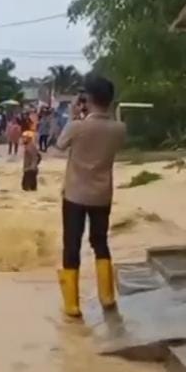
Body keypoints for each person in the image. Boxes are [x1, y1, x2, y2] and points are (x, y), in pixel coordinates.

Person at [54, 75, 127, 319]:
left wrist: (74, 114)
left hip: (75, 195)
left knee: (72, 245)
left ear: (88, 99)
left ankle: (72, 305)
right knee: (100, 242)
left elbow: (59, 145)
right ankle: (107, 296)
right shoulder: (119, 128)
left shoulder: (78, 126)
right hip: (102, 196)